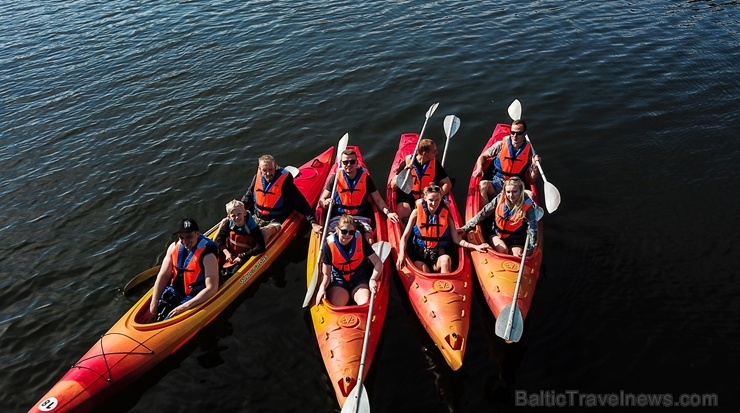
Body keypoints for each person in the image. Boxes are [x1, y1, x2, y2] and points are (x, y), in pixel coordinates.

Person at [396, 184, 490, 273]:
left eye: (437, 200)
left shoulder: (446, 214)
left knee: (446, 260)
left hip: (438, 255)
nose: (434, 203)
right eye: (431, 200)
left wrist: (476, 246)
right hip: (420, 256)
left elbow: (457, 239)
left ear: (441, 198)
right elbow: (405, 236)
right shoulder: (416, 212)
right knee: (423, 270)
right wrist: (401, 254)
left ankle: (445, 285)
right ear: (425, 198)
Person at [317, 149, 400, 239]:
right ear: (341, 163)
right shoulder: (335, 178)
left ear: (357, 163)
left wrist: (388, 213)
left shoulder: (366, 179)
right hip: (339, 217)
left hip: (361, 216)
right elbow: (322, 200)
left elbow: (378, 200)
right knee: (331, 239)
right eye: (345, 162)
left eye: (352, 162)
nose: (349, 165)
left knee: (369, 240)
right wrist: (326, 203)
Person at [149, 218, 220, 321]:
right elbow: (163, 276)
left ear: (197, 233)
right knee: (153, 314)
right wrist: (153, 303)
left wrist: (185, 306)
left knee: (168, 319)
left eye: (189, 237)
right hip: (174, 290)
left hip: (195, 294)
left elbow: (212, 288)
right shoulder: (173, 247)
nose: (185, 241)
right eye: (181, 237)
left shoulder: (208, 256)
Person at [241, 154, 322, 242]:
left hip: (276, 220)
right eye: (264, 170)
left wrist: (313, 223)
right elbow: (248, 196)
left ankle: (257, 251)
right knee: (230, 226)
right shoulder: (257, 178)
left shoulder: (284, 184)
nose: (268, 173)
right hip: (257, 217)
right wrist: (238, 208)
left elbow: (301, 203)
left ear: (275, 167)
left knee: (264, 234)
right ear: (260, 169)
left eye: (271, 169)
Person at [459, 177, 539, 257]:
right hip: (498, 234)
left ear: (521, 191)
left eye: (514, 192)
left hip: (517, 239)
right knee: (503, 250)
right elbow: (483, 213)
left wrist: (530, 248)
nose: (511, 195)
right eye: (508, 192)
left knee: (516, 256)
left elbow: (533, 228)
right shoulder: (499, 198)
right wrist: (465, 228)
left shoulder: (528, 205)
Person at [316, 214, 383, 306]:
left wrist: (373, 279)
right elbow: (327, 274)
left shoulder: (360, 240)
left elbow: (378, 263)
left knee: (365, 304)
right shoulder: (328, 246)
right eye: (344, 232)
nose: (347, 235)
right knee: (337, 305)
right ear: (337, 230)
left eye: (351, 232)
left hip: (358, 277)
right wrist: (322, 288)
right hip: (338, 279)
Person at [472, 120, 542, 203]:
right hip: (498, 181)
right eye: (512, 132)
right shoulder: (500, 145)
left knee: (530, 195)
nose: (515, 136)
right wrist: (479, 167)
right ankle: (487, 213)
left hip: (516, 184)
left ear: (524, 134)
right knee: (483, 185)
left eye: (518, 133)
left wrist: (535, 166)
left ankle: (518, 215)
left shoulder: (530, 152)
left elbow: (532, 179)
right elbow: (483, 156)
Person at [390, 138, 453, 220]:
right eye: (434, 151)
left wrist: (438, 195)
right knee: (401, 212)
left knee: (439, 214)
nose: (436, 153)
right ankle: (405, 230)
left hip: (427, 198)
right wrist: (404, 173)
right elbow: (393, 186)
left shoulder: (435, 164)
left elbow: (447, 184)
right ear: (425, 153)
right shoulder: (408, 162)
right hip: (409, 198)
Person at [214, 200, 265, 277]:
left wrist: (242, 255)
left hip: (245, 255)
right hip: (230, 253)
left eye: (239, 214)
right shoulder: (228, 223)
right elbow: (219, 240)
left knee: (232, 273)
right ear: (229, 217)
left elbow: (261, 247)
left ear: (244, 212)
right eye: (233, 216)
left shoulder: (252, 227)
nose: (237, 217)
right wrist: (227, 253)